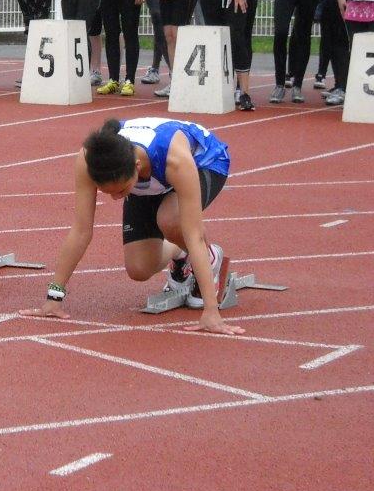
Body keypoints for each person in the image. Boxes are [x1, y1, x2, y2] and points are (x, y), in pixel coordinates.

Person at [21, 117, 243, 336]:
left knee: (171, 220)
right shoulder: (89, 160)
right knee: (139, 268)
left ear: (137, 167)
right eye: (108, 192)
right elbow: (81, 230)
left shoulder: (176, 160)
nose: (116, 198)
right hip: (149, 179)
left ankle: (210, 257)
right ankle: (180, 253)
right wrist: (54, 297)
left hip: (204, 163)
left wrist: (211, 311)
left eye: (120, 190)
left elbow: (194, 234)